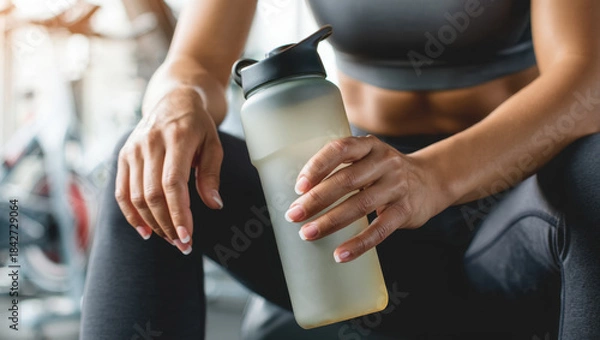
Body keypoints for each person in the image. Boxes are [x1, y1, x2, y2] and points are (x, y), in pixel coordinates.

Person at [80, 1, 600, 339]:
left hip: (510, 217)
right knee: (152, 160)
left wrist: (430, 177)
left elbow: (587, 79)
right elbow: (196, 60)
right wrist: (176, 100)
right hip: (357, 230)